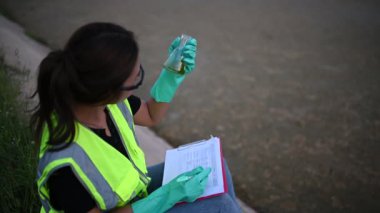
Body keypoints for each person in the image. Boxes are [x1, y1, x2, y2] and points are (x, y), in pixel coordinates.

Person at [31, 22, 241, 213]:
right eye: (135, 78)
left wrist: (172, 73)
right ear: (107, 87)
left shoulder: (106, 103)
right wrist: (165, 196)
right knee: (220, 205)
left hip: (131, 194)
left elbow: (150, 114)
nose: (137, 82)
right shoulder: (65, 166)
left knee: (215, 167)